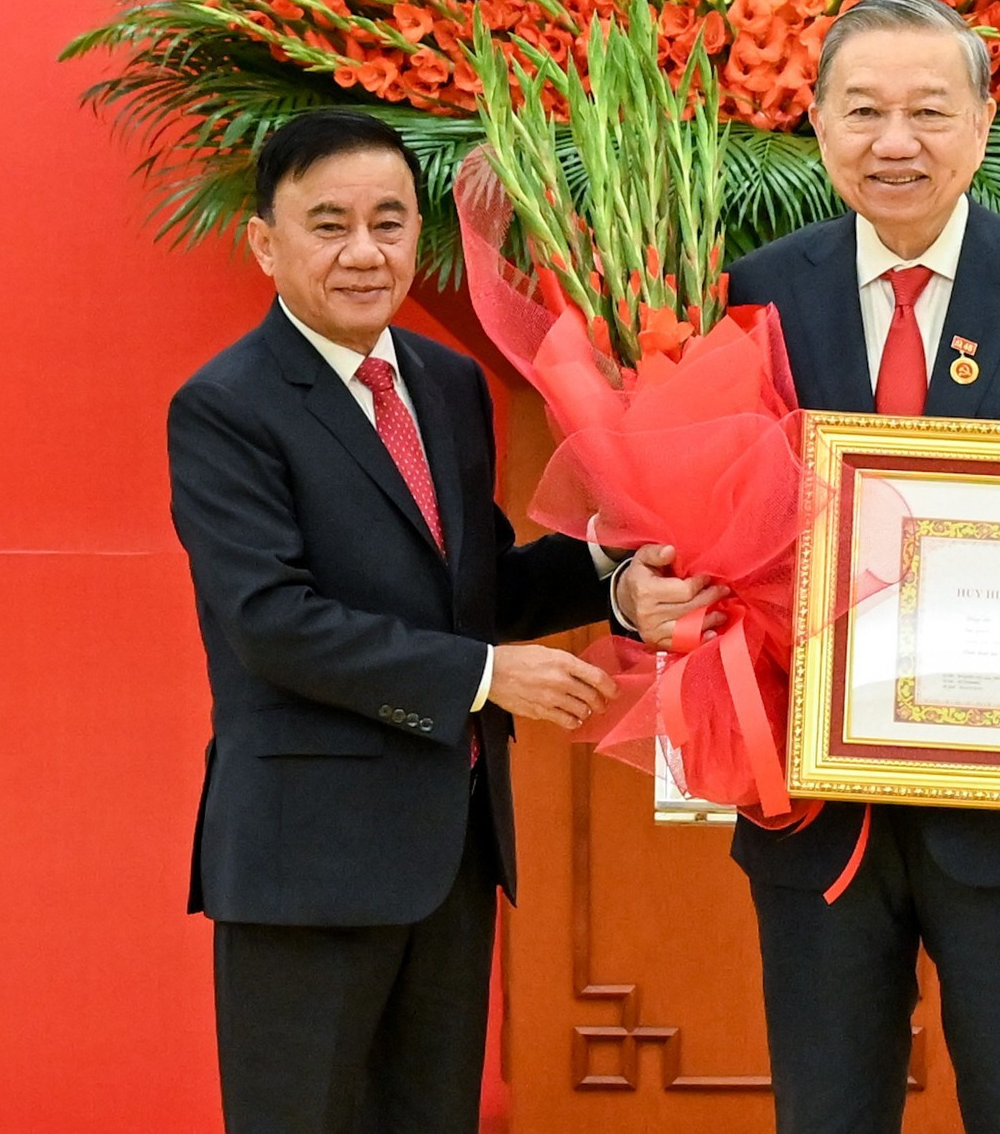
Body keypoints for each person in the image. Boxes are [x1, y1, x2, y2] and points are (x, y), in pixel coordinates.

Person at [167, 109, 707, 1134]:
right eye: (328, 224)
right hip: (305, 864)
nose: (365, 253)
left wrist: (612, 576)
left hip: (450, 852)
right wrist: (481, 676)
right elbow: (270, 621)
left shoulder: (446, 384)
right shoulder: (227, 406)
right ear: (264, 241)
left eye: (389, 221)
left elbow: (475, 584)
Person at [724, 0, 1000, 1133]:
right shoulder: (754, 289)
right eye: (861, 111)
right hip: (818, 802)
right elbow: (718, 516)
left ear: (981, 122)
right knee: (825, 1110)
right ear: (813, 125)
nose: (894, 142)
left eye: (928, 109)